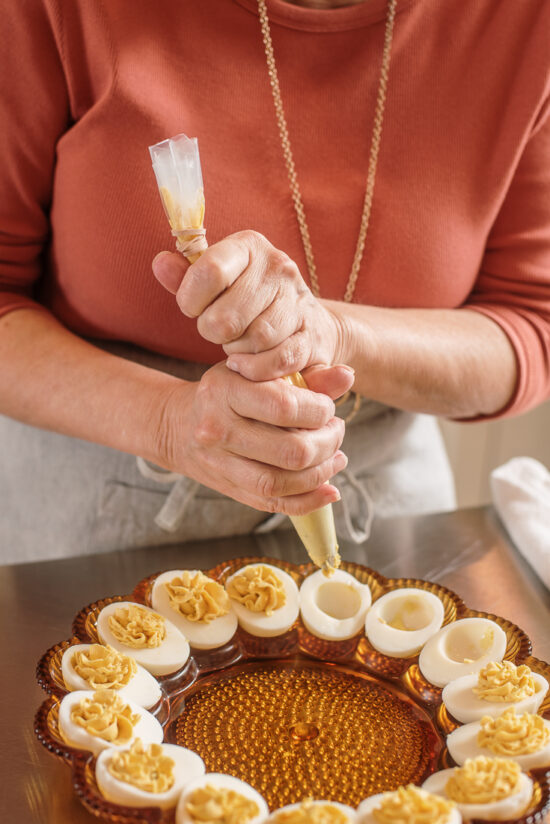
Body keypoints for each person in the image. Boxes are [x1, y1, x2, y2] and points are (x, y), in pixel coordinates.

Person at [0, 0, 549, 564]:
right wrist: (166, 422)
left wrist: (331, 333)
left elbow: (531, 324)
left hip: (386, 517)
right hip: (95, 523)